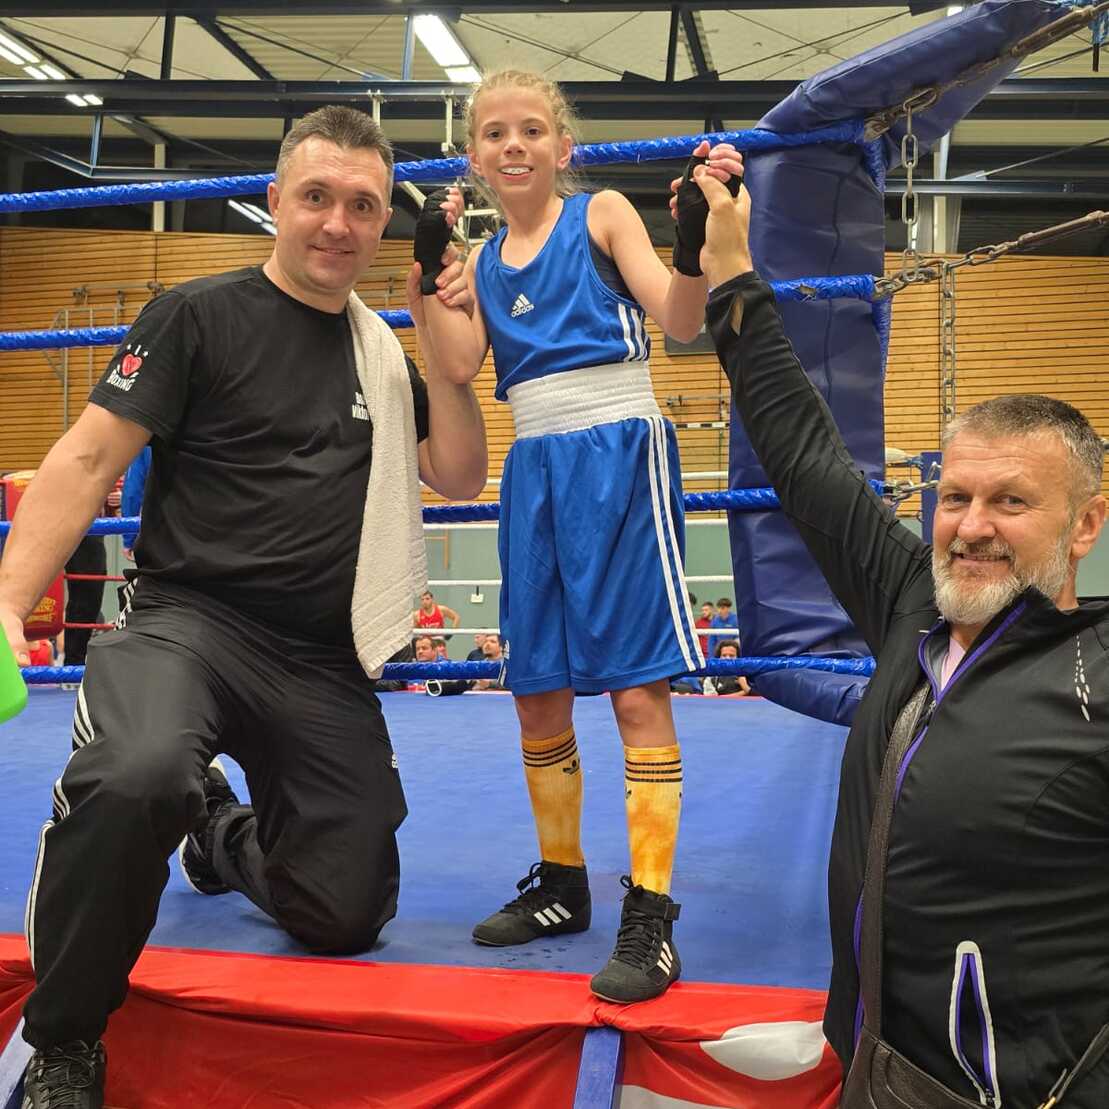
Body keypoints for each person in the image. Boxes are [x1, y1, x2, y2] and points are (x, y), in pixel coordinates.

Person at [0, 105, 487, 1107]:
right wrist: (7, 601)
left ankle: (216, 829)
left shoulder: (378, 354)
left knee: (347, 909)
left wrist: (445, 359)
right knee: (136, 772)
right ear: (274, 202)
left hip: (318, 654)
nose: (337, 224)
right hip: (188, 622)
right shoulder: (194, 316)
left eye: (360, 205)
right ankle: (63, 1039)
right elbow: (87, 457)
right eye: (316, 197)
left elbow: (455, 469)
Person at [694, 165, 1109, 1106]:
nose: (970, 525)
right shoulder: (911, 602)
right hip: (868, 1070)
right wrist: (730, 278)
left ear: (1084, 525)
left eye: (1011, 501)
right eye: (953, 496)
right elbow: (802, 454)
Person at [416, 67, 742, 1003]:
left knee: (636, 692)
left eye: (530, 130)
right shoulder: (478, 263)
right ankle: (562, 884)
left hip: (619, 453)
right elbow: (452, 367)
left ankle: (652, 912)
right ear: (474, 157)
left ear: (563, 147)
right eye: (492, 133)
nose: (511, 144)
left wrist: (689, 249)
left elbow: (679, 324)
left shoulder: (600, 212)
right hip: (535, 470)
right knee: (537, 691)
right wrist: (423, 266)